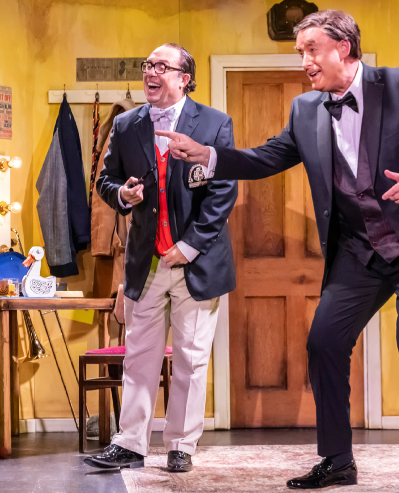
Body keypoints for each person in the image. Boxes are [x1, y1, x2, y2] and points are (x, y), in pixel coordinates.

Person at [157, 10, 399, 492]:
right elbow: (265, 158)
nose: (304, 62)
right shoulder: (306, 109)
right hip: (359, 252)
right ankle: (337, 461)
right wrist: (209, 155)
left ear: (343, 47)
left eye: (311, 50)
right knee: (324, 344)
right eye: (300, 53)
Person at [88, 43, 238, 473]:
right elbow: (105, 181)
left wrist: (189, 245)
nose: (150, 72)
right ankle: (130, 443)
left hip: (198, 262)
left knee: (191, 357)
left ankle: (181, 446)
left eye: (160, 66)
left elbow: (223, 191)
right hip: (146, 262)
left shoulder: (214, 123)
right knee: (139, 356)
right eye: (147, 66)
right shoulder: (126, 124)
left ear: (183, 78)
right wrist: (123, 194)